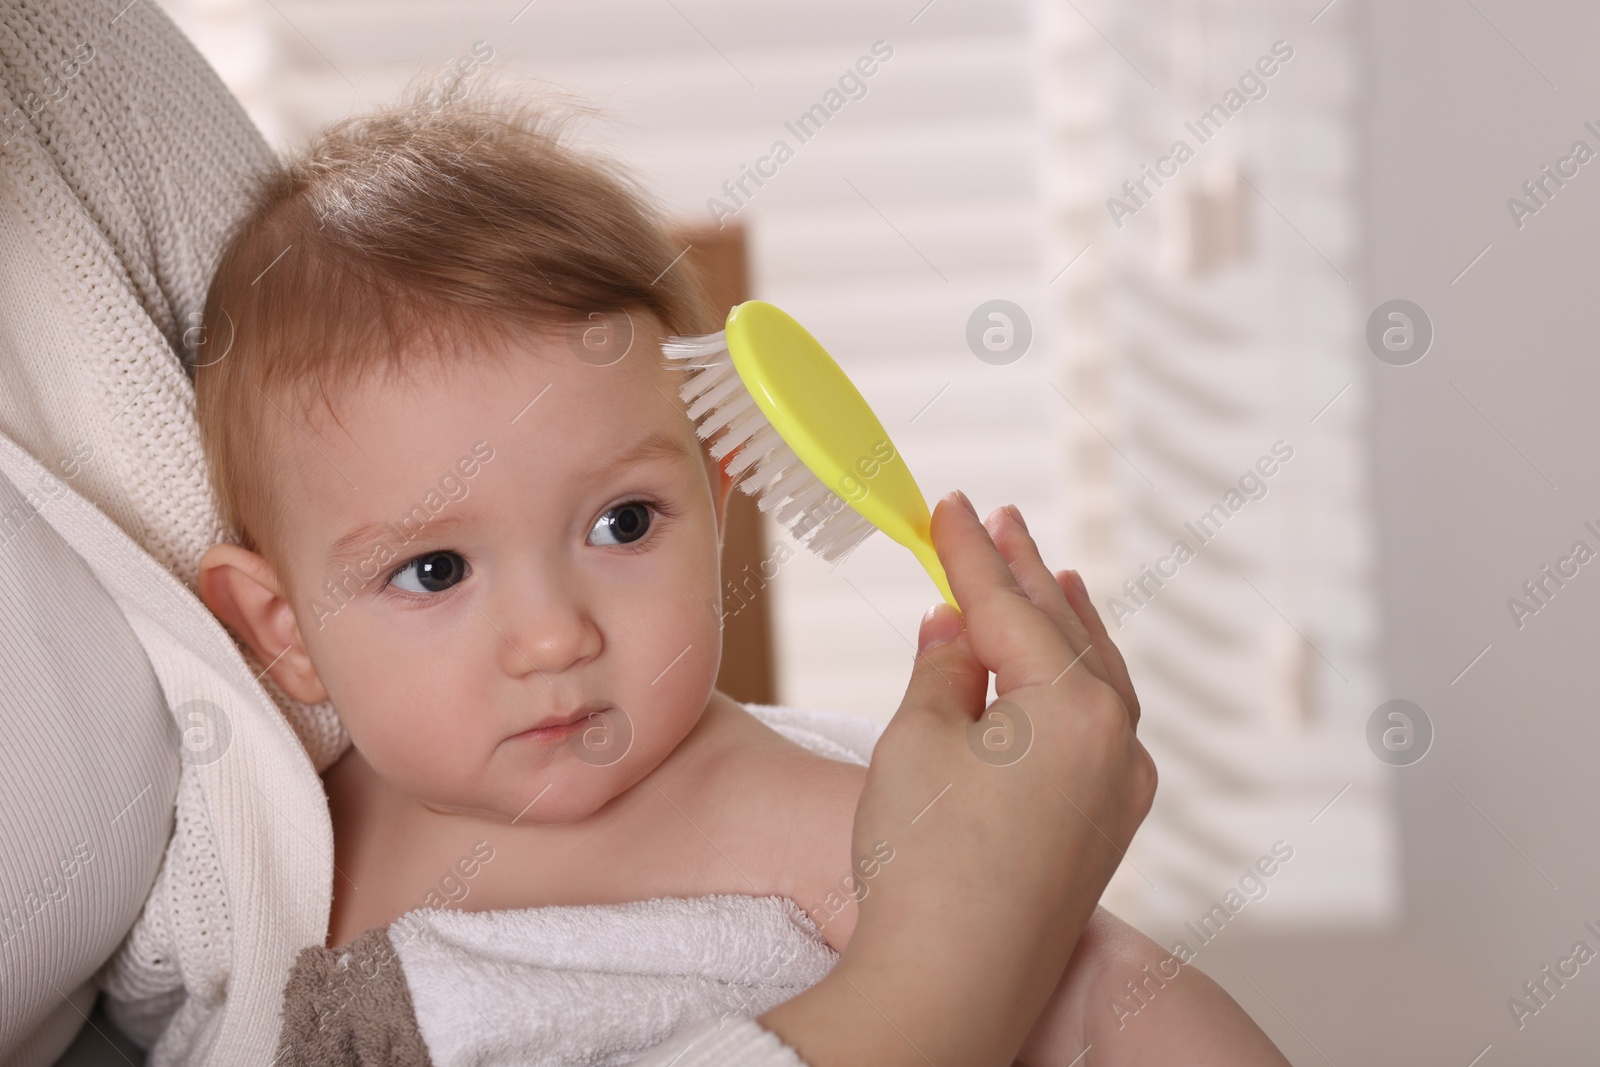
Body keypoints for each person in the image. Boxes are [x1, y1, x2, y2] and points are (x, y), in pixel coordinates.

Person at [190, 84, 1288, 1066]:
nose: (553, 635)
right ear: (282, 627)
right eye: (434, 568)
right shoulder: (261, 832)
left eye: (623, 521)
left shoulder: (755, 804)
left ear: (716, 508)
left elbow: (1087, 983)